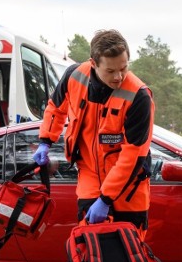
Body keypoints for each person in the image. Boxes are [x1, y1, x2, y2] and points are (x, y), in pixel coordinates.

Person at [33, 29, 154, 234]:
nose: (118, 76)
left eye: (124, 68)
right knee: (90, 254)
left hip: (129, 190)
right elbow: (56, 108)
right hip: (90, 178)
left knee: (128, 256)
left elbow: (133, 156)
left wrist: (106, 198)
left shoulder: (139, 96)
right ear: (93, 63)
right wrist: (45, 140)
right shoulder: (75, 76)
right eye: (110, 71)